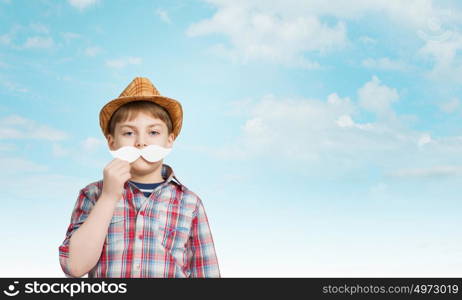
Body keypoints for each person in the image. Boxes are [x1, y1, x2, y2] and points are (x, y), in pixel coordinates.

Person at [58, 77, 221, 278]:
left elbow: (207, 272)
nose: (141, 142)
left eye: (153, 132)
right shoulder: (92, 194)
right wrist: (108, 197)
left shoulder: (190, 202)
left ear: (169, 140)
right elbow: (75, 267)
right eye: (128, 133)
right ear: (112, 142)